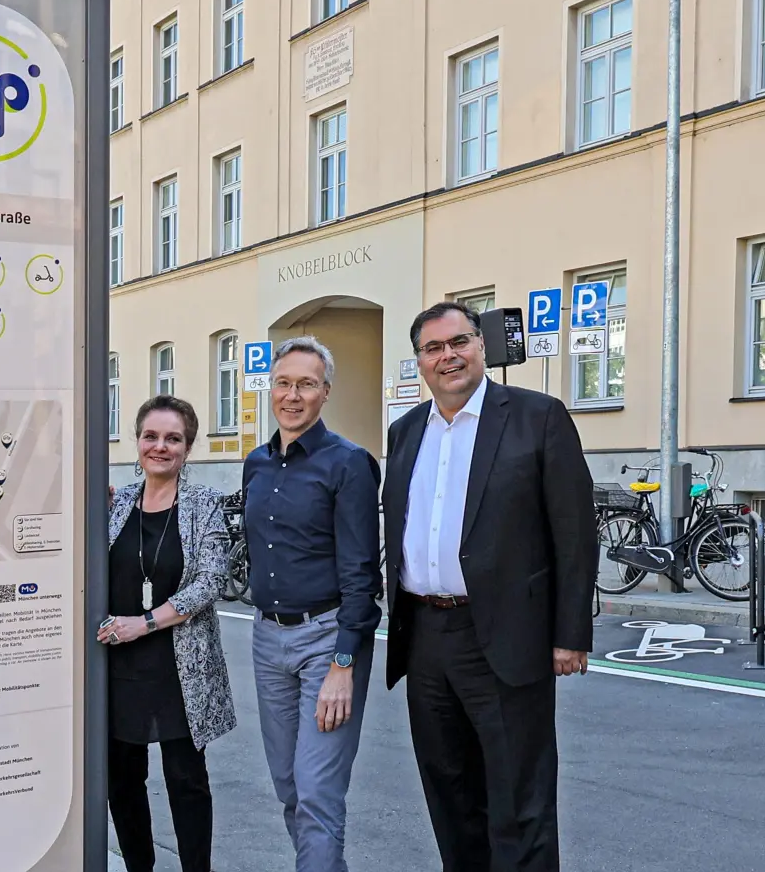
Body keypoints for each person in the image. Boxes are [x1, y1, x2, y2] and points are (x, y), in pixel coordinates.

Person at [383, 302, 596, 871]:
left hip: (505, 635)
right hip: (426, 636)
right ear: (420, 362)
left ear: (481, 346)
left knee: (519, 800)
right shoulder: (404, 433)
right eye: (433, 348)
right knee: (450, 794)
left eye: (459, 342)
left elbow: (574, 532)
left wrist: (570, 633)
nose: (447, 356)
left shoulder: (536, 416)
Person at [241, 335, 381, 872]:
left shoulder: (347, 464)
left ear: (325, 392)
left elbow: (361, 573)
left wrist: (344, 663)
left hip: (326, 641)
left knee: (318, 792)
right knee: (290, 788)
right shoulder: (255, 464)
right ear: (270, 389)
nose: (292, 395)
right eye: (283, 383)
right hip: (266, 638)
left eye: (305, 384)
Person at [98, 395, 237, 872]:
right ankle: (140, 865)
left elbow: (213, 579)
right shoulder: (115, 504)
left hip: (180, 666)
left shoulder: (202, 504)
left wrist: (147, 621)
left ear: (188, 447)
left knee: (187, 781)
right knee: (122, 780)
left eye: (172, 438)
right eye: (151, 436)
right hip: (118, 664)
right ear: (137, 441)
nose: (160, 447)